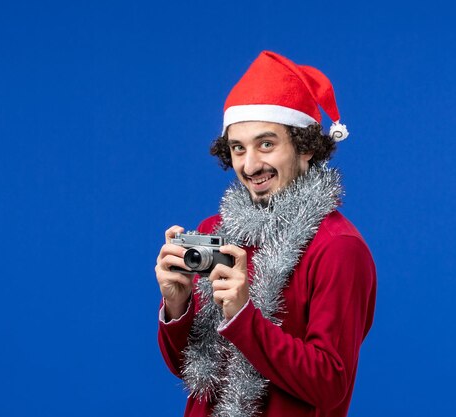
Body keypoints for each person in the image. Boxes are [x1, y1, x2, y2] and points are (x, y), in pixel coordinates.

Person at [155, 51, 377, 417]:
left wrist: (243, 318)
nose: (250, 164)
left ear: (306, 147)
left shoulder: (338, 248)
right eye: (238, 148)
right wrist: (176, 305)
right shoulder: (217, 232)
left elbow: (331, 385)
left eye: (266, 144)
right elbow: (193, 374)